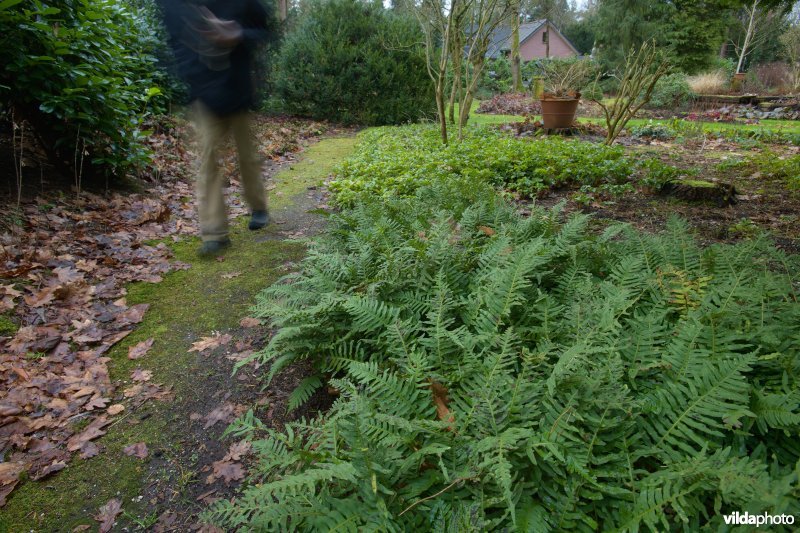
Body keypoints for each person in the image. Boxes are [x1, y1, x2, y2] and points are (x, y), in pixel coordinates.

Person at [158, 0, 273, 255]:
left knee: (247, 157)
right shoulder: (175, 5)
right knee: (206, 160)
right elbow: (175, 44)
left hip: (238, 87)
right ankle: (214, 233)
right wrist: (196, 79)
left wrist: (238, 34)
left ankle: (259, 207)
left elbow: (263, 30)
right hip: (203, 93)